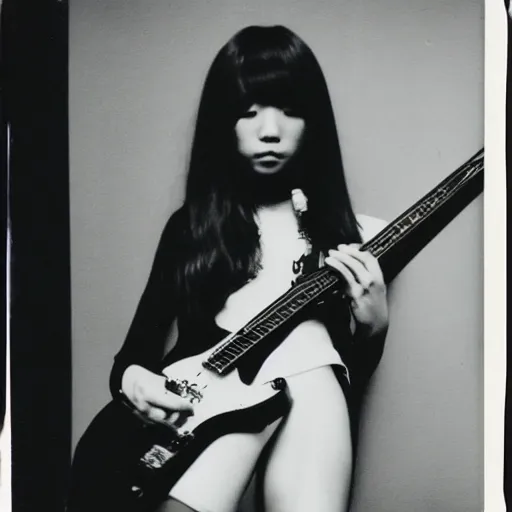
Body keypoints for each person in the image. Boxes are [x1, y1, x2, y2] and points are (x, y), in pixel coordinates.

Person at [111, 25, 389, 512]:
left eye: (290, 109)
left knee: (312, 358)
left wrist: (374, 326)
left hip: (311, 399)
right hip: (208, 403)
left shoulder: (351, 235)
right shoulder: (192, 227)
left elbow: (352, 373)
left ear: (314, 122)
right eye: (248, 110)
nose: (270, 130)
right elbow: (134, 354)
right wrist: (135, 382)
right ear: (224, 121)